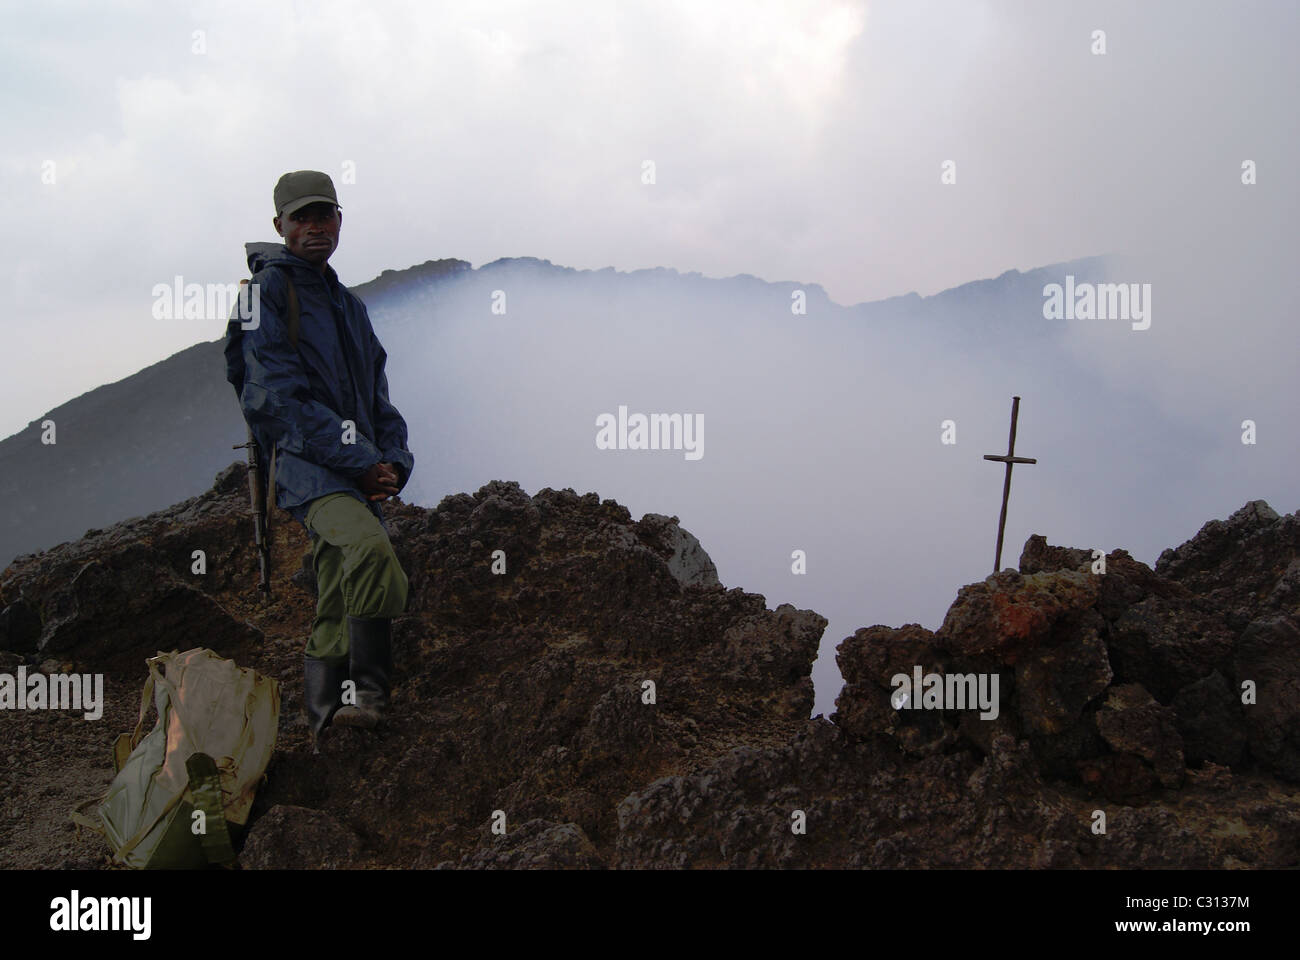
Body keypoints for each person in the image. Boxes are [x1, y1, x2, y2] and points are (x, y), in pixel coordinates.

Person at [223, 170, 413, 747]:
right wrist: (359, 460)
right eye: (300, 217)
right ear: (279, 225)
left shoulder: (349, 306)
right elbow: (274, 398)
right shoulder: (263, 294)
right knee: (371, 551)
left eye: (324, 214)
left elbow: (379, 398)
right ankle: (370, 696)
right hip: (309, 469)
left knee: (335, 586)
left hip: (355, 468)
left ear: (339, 221)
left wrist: (394, 462)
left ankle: (323, 722)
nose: (314, 226)